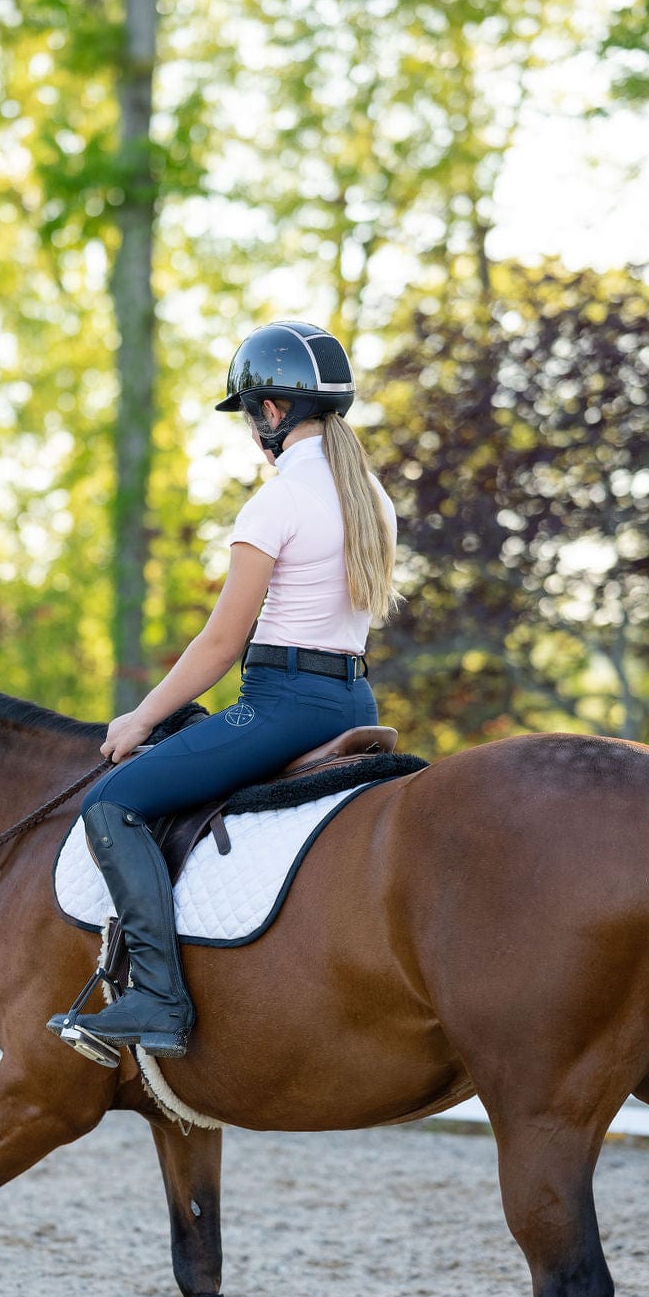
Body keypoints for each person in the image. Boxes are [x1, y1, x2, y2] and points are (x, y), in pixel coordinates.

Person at [48, 320, 398, 1065]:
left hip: (281, 704)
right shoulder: (370, 497)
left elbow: (219, 644)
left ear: (272, 412)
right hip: (353, 702)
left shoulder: (276, 502)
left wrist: (140, 717)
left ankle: (158, 995)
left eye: (247, 413)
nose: (249, 428)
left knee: (110, 803)